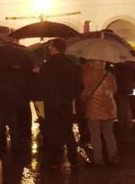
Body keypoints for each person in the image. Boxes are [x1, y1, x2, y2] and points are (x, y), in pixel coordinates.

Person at [38, 39, 82, 169]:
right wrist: (69, 96)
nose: (49, 49)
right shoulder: (71, 64)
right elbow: (79, 85)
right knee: (68, 131)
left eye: (50, 47)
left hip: (50, 103)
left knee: (52, 132)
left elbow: (42, 85)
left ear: (54, 48)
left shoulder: (47, 66)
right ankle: (73, 160)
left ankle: (53, 161)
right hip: (65, 103)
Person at [79, 60, 118, 166]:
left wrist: (83, 97)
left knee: (95, 135)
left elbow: (84, 91)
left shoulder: (87, 74)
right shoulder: (109, 75)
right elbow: (114, 90)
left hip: (93, 109)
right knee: (109, 133)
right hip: (109, 108)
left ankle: (98, 160)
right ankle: (113, 157)